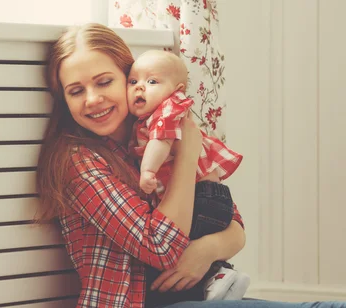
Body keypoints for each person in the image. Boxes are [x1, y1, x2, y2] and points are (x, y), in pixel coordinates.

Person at [36, 22, 346, 308]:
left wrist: (205, 251)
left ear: (130, 81)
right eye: (76, 91)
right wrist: (186, 153)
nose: (92, 99)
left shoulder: (150, 134)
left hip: (191, 294)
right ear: (64, 99)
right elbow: (160, 247)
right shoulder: (76, 159)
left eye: (104, 82)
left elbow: (231, 220)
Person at [126, 49, 249, 301]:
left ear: (176, 89)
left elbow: (160, 142)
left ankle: (220, 278)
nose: (140, 88)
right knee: (192, 245)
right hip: (210, 197)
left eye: (151, 82)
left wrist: (147, 170)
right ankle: (220, 279)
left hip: (203, 197)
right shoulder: (156, 115)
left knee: (184, 243)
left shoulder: (167, 112)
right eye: (133, 81)